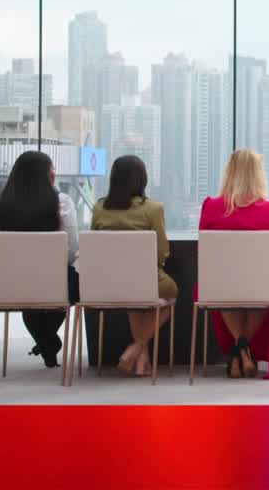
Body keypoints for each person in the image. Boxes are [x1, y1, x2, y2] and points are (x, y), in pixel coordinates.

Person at [197, 149, 269, 379]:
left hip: (218, 286)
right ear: (258, 174)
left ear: (229, 172)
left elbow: (204, 253)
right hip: (259, 285)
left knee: (221, 288)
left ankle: (239, 350)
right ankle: (244, 347)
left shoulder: (211, 206)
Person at [0, 150, 80, 369]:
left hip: (10, 286)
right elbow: (71, 250)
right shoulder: (61, 203)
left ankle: (47, 343)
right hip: (55, 283)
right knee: (70, 285)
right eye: (52, 169)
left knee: (30, 295)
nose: (55, 172)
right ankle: (48, 342)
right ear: (47, 175)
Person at [90, 154, 178, 377]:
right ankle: (136, 348)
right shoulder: (153, 209)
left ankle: (141, 362)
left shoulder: (99, 208)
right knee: (168, 296)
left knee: (134, 295)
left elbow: (94, 248)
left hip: (106, 284)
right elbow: (161, 252)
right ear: (142, 179)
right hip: (143, 281)